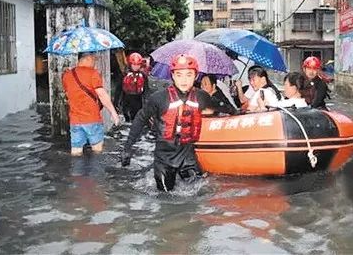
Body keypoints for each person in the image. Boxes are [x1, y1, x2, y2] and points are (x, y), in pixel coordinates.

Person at [120, 54, 229, 192]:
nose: (184, 79)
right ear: (172, 76)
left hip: (188, 157)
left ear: (195, 76)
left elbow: (222, 106)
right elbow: (140, 119)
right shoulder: (159, 98)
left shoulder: (201, 97)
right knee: (166, 198)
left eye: (189, 75)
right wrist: (127, 148)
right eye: (179, 75)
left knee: (201, 192)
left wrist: (240, 112)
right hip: (164, 157)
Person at [62, 52, 120, 156]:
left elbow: (68, 93)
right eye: (94, 59)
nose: (95, 62)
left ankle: (76, 172)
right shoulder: (93, 73)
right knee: (97, 151)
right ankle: (95, 171)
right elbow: (102, 94)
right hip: (92, 119)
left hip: (75, 121)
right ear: (87, 58)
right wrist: (113, 112)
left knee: (76, 152)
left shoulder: (67, 75)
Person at [119, 52, 149, 122]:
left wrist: (146, 101)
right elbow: (119, 89)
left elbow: (146, 89)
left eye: (138, 65)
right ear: (130, 64)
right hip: (126, 98)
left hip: (138, 99)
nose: (136, 66)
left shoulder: (143, 75)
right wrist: (117, 102)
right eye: (134, 64)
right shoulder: (125, 74)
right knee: (126, 116)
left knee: (136, 117)